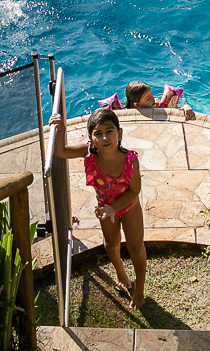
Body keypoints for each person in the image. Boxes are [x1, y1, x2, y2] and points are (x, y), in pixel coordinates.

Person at [49, 108, 146, 309]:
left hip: (128, 207)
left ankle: (139, 289)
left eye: (109, 131)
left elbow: (134, 191)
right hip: (105, 209)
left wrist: (113, 208)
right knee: (111, 244)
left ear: (120, 133)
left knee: (136, 247)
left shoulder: (130, 160)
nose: (104, 138)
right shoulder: (89, 154)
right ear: (91, 139)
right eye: (98, 133)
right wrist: (61, 129)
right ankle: (120, 271)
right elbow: (60, 151)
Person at [123, 80, 194, 120]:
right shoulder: (124, 113)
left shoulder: (156, 107)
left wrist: (186, 107)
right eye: (148, 98)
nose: (152, 98)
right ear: (136, 104)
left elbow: (177, 110)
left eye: (152, 94)